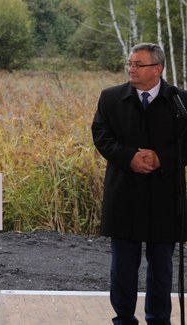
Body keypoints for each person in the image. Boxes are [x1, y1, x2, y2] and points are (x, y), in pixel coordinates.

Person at [92, 43, 187, 324]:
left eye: (138, 64)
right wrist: (129, 157)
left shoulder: (180, 101)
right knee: (123, 266)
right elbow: (101, 135)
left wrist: (161, 158)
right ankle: (123, 318)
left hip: (165, 195)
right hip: (124, 192)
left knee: (161, 267)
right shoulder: (110, 98)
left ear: (158, 69)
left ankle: (158, 319)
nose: (131, 69)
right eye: (129, 64)